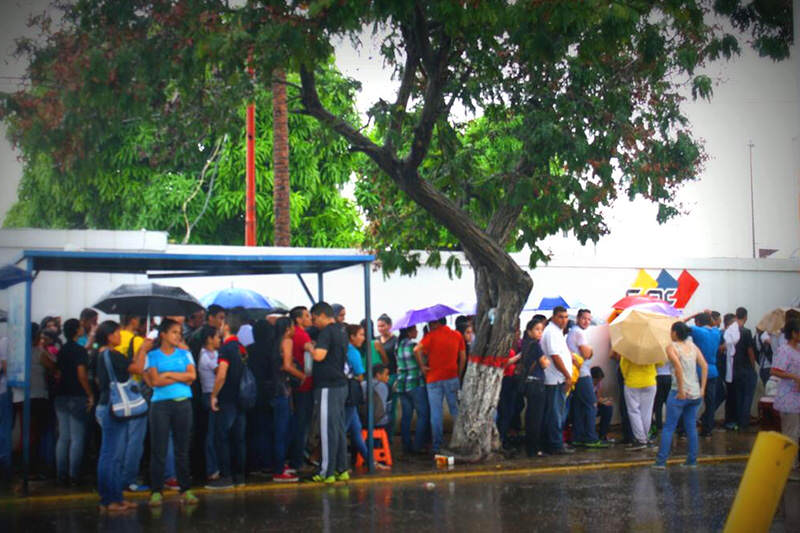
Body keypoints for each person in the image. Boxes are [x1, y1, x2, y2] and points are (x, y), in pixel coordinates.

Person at [144, 318, 197, 506]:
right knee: (159, 449)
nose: (178, 336)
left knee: (182, 449)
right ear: (163, 335)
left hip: (183, 404)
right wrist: (178, 378)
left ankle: (185, 489)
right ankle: (156, 490)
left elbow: (192, 377)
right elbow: (154, 381)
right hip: (160, 405)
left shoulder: (185, 354)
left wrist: (167, 374)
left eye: (179, 333)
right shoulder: (153, 356)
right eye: (174, 332)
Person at [94, 320, 142, 512]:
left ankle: (114, 498)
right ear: (109, 336)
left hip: (105, 404)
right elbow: (137, 369)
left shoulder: (100, 355)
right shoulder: (113, 355)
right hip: (114, 408)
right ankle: (109, 500)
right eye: (117, 333)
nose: (120, 336)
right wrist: (143, 349)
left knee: (110, 454)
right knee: (112, 455)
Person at [653, 322, 708, 469]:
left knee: (669, 427)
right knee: (691, 426)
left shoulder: (672, 347)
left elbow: (677, 367)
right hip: (696, 393)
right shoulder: (693, 346)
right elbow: (704, 366)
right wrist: (702, 388)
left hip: (679, 392)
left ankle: (661, 461)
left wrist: (682, 390)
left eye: (671, 331)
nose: (670, 334)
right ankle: (691, 460)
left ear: (676, 333)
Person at [207, 310, 247, 490]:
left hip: (228, 398)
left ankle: (226, 476)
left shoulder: (226, 348)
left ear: (228, 326)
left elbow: (221, 374)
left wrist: (214, 395)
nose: (220, 326)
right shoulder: (241, 347)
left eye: (223, 323)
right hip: (242, 398)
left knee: (222, 438)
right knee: (239, 439)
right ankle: (240, 476)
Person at [310, 302, 349, 483]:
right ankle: (342, 469)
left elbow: (319, 356)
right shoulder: (341, 331)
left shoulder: (326, 332)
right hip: (340, 385)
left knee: (327, 430)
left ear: (323, 315)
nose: (313, 322)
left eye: (315, 318)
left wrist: (310, 347)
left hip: (328, 386)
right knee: (339, 429)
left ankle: (327, 472)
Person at [414, 318, 466, 454]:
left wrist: (422, 367)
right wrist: (458, 374)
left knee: (436, 413)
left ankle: (437, 446)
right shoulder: (457, 335)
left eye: (430, 324)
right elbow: (463, 357)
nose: (429, 326)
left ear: (436, 323)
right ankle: (460, 442)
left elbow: (416, 349)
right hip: (452, 377)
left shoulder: (430, 336)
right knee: (455, 411)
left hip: (433, 378)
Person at [54, 318, 93, 486]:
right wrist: (90, 394)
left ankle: (61, 474)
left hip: (61, 395)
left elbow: (58, 372)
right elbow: (82, 375)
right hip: (77, 396)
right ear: (77, 330)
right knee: (77, 437)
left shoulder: (62, 350)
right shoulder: (79, 351)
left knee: (63, 436)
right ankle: (74, 475)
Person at [113, 315, 149, 492]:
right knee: (135, 438)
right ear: (134, 319)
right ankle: (129, 479)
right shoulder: (137, 340)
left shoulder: (112, 342)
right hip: (133, 393)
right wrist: (143, 350)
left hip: (115, 394)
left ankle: (117, 476)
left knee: (120, 438)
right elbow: (141, 369)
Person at [567, 309, 607, 448]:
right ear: (578, 318)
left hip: (576, 374)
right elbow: (586, 353)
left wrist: (589, 350)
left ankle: (578, 437)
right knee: (591, 405)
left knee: (579, 407)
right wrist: (590, 350)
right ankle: (591, 437)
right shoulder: (578, 332)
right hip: (582, 374)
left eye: (589, 319)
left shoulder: (573, 331)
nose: (587, 321)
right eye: (584, 318)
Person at [271, 317, 305, 482]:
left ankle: (280, 465)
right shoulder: (287, 341)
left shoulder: (275, 342)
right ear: (287, 328)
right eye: (292, 327)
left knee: (279, 430)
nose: (294, 330)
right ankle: (279, 470)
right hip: (283, 390)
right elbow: (287, 366)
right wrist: (302, 375)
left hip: (275, 391)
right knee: (283, 431)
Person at [770, 319, 800, 481]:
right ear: (794, 333)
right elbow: (775, 370)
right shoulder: (785, 350)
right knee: (791, 434)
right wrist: (794, 377)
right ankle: (789, 467)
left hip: (798, 398)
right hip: (789, 399)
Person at [541, 307, 574, 454]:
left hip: (558, 379)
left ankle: (555, 442)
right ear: (553, 317)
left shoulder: (557, 332)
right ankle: (555, 445)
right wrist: (567, 375)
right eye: (561, 317)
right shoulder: (551, 332)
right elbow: (555, 357)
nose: (564, 320)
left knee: (558, 413)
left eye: (566, 317)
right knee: (555, 414)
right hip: (554, 380)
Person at [685, 311, 722, 437]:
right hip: (712, 371)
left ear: (698, 322)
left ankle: (686, 429)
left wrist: (692, 314)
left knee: (691, 401)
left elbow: (678, 325)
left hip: (698, 371)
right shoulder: (717, 332)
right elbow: (715, 324)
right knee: (710, 403)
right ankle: (708, 430)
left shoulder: (697, 331)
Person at [288, 306, 315, 474]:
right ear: (298, 319)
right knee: (302, 425)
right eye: (306, 315)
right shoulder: (301, 334)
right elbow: (312, 353)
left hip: (298, 385)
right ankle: (297, 461)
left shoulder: (294, 334)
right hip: (304, 385)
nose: (310, 318)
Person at [396, 325, 429, 454]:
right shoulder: (414, 345)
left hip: (402, 384)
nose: (417, 332)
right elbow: (423, 361)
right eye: (415, 330)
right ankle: (418, 445)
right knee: (423, 415)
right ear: (409, 332)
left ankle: (406, 445)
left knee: (406, 416)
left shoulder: (397, 345)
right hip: (415, 382)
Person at [521, 316, 550, 457]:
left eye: (541, 330)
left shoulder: (524, 345)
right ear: (529, 331)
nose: (540, 333)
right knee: (536, 418)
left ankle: (530, 447)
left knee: (531, 416)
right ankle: (534, 449)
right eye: (537, 330)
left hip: (528, 383)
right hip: (537, 383)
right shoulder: (535, 346)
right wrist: (546, 361)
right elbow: (544, 364)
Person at [197, 325, 221, 482]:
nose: (220, 339)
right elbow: (221, 372)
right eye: (217, 337)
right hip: (210, 395)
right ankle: (211, 468)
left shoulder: (215, 353)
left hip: (215, 394)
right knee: (212, 434)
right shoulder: (206, 356)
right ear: (209, 339)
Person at [344, 324, 370, 469]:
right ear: (352, 337)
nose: (363, 338)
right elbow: (360, 374)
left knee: (356, 428)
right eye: (360, 334)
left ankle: (369, 460)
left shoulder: (344, 349)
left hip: (346, 394)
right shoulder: (352, 352)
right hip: (350, 394)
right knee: (343, 429)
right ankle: (337, 463)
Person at [620, 353, 657, 451]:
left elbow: (623, 366)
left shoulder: (629, 349)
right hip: (650, 382)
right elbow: (660, 363)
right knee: (647, 411)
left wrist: (626, 377)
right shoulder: (652, 349)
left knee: (634, 411)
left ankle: (640, 439)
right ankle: (645, 437)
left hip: (633, 382)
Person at [731, 307, 757, 430]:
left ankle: (738, 421)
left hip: (734, 369)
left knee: (739, 396)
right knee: (747, 396)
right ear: (746, 317)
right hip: (746, 368)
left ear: (736, 316)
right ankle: (744, 423)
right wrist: (753, 367)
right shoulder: (746, 332)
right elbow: (750, 351)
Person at [722, 312, 739, 429]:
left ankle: (731, 420)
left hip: (732, 371)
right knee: (731, 397)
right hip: (727, 371)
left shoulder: (731, 335)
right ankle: (730, 420)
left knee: (732, 397)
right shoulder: (724, 335)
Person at [591, 367, 614, 443]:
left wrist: (605, 401)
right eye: (596, 380)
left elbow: (598, 397)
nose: (598, 382)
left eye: (599, 380)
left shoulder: (598, 384)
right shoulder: (586, 384)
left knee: (608, 408)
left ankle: (603, 434)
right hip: (587, 406)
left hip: (595, 404)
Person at [0, 334, 10, 483]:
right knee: (4, 428)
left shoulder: (4, 341)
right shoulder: (5, 341)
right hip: (3, 390)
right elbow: (5, 366)